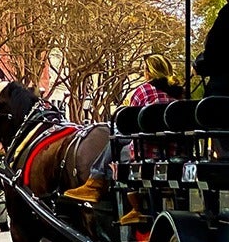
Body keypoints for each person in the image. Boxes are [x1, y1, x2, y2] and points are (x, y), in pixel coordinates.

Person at [65, 55, 183, 224]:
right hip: (174, 153)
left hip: (146, 152)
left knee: (116, 144)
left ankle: (96, 183)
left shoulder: (144, 90)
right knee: (118, 143)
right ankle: (96, 183)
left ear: (149, 73)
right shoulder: (178, 95)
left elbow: (126, 123)